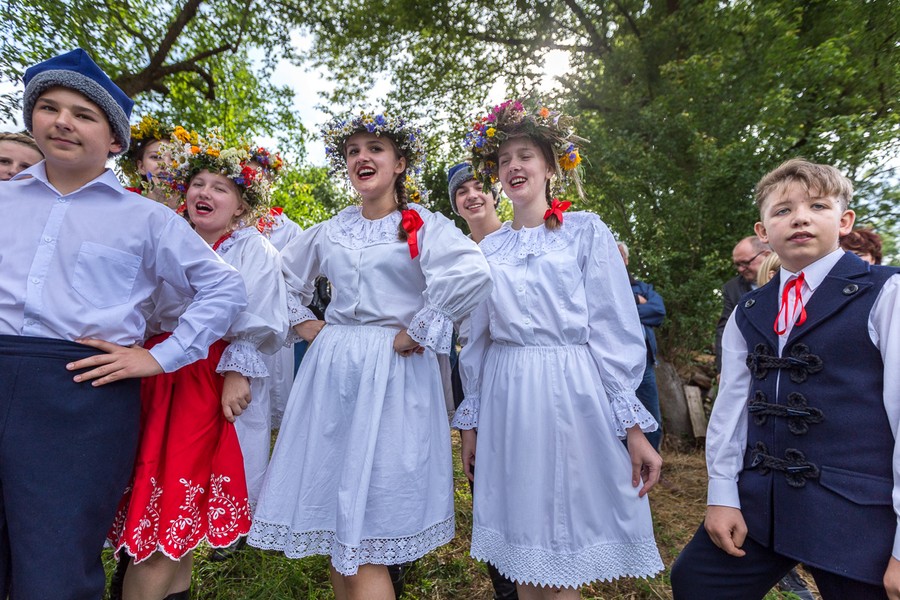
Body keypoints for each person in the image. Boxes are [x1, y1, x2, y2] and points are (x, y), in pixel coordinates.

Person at [0, 48, 247, 599]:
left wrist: (160, 356)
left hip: (80, 390)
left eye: (84, 114)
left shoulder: (147, 218)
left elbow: (226, 286)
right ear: (31, 119)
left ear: (115, 141)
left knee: (57, 558)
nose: (63, 121)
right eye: (49, 107)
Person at [247, 111, 493, 600]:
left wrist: (421, 326)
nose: (362, 157)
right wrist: (306, 323)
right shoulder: (333, 228)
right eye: (353, 151)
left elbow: (472, 271)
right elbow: (281, 278)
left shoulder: (424, 224)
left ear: (400, 163)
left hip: (394, 372)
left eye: (375, 149)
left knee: (369, 535)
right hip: (332, 370)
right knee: (340, 535)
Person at [455, 98, 663, 599]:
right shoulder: (489, 249)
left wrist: (633, 429)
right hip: (508, 396)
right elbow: (476, 343)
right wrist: (470, 428)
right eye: (503, 160)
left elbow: (614, 330)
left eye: (524, 155)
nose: (513, 167)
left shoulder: (585, 231)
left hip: (572, 393)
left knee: (563, 544)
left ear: (550, 165)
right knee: (523, 547)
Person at [670, 158, 900, 600]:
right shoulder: (750, 310)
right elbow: (731, 408)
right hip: (765, 502)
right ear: (763, 232)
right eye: (782, 210)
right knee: (698, 582)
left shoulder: (885, 294)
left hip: (856, 510)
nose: (799, 217)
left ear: (845, 220)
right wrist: (722, 494)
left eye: (817, 206)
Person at [108, 129, 288, 599]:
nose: (204, 193)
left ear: (242, 205)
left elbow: (256, 319)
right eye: (198, 184)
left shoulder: (253, 249)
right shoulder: (165, 236)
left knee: (178, 499)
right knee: (156, 493)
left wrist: (236, 371)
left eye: (220, 187)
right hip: (153, 373)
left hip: (203, 376)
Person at [445, 161, 518, 600]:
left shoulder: (521, 239)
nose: (472, 196)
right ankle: (506, 587)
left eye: (478, 188)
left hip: (524, 373)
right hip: (474, 374)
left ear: (495, 194)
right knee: (485, 485)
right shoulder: (454, 254)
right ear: (455, 205)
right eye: (461, 192)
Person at [616, 241, 666, 451]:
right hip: (614, 364)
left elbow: (658, 311)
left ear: (626, 260)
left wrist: (625, 307)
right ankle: (624, 472)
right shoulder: (596, 286)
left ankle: (650, 471)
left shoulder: (642, 287)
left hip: (643, 363)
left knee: (652, 418)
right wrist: (637, 303)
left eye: (619, 256)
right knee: (619, 419)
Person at [715, 236, 771, 373]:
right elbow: (724, 329)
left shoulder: (790, 278)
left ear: (766, 255)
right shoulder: (732, 288)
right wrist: (722, 369)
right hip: (747, 364)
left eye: (745, 263)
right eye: (737, 264)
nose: (740, 269)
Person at [118, 115, 178, 207]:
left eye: (174, 158)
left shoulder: (199, 211)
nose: (166, 164)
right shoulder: (123, 204)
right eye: (156, 157)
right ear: (141, 167)